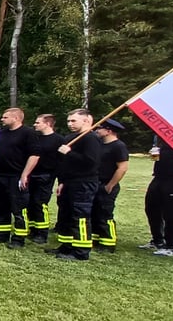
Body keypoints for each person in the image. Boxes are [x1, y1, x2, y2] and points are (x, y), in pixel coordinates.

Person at [49, 109, 102, 261]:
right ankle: (66, 246)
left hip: (84, 182)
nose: (70, 124)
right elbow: (64, 163)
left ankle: (81, 251)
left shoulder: (91, 138)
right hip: (69, 181)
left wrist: (69, 152)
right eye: (68, 121)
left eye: (74, 121)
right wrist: (62, 181)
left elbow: (91, 162)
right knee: (66, 214)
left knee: (80, 216)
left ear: (86, 121)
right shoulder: (70, 137)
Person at [0, 108, 38, 248]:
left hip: (16, 176)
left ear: (16, 118)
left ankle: (18, 239)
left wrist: (25, 174)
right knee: (1, 207)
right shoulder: (3, 134)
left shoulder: (28, 133)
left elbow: (34, 156)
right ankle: (2, 235)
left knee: (18, 209)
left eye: (5, 117)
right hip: (1, 176)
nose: (2, 119)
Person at [142, 140, 173, 256]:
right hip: (159, 178)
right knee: (151, 209)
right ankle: (157, 240)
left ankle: (171, 246)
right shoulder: (164, 141)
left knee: (172, 214)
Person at [92, 119, 129, 253]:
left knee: (105, 214)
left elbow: (122, 168)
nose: (97, 131)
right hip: (96, 182)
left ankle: (108, 242)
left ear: (108, 131)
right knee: (94, 212)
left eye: (99, 128)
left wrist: (110, 185)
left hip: (107, 184)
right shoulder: (100, 144)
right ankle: (96, 238)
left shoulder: (118, 146)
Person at [27, 114, 64, 244]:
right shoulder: (35, 138)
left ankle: (42, 233)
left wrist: (61, 180)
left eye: (38, 123)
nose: (34, 125)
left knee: (40, 203)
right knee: (30, 202)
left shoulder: (58, 139)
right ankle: (32, 229)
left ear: (48, 124)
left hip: (46, 175)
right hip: (32, 174)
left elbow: (62, 161)